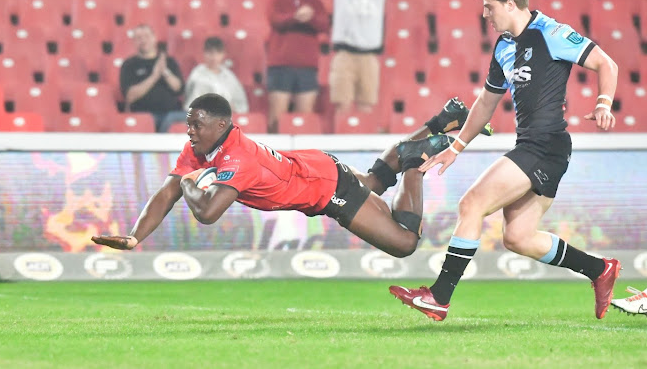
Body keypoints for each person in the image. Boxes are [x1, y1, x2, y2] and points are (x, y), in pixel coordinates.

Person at [390, 0, 620, 321]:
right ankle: (599, 269)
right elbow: (485, 103)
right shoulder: (504, 47)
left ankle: (439, 296)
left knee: (471, 204)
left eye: (489, 6)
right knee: (518, 236)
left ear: (510, 4)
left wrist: (603, 104)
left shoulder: (551, 32)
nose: (485, 14)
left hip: (544, 145)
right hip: (538, 147)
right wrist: (455, 147)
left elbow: (607, 63)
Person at [91, 94, 480, 262]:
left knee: (404, 242)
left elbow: (207, 213)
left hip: (325, 187)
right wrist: (135, 236)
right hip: (314, 167)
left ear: (222, 124)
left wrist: (192, 183)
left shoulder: (237, 160)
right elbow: (166, 191)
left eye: (196, 124)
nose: (189, 131)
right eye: (189, 124)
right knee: (376, 183)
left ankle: (415, 158)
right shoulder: (201, 147)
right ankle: (442, 118)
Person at [329, 0, 405, 113]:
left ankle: (363, 133)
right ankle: (342, 133)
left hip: (369, 57)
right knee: (342, 103)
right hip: (344, 55)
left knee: (366, 104)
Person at [267, 0, 329, 133]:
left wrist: (310, 17)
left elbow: (324, 24)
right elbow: (275, 20)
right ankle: (271, 156)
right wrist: (296, 17)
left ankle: (299, 159)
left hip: (307, 67)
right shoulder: (276, 0)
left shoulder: (315, 3)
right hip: (281, 65)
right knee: (276, 119)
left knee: (304, 119)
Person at [119, 24, 185, 133]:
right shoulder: (129, 65)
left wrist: (165, 72)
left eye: (147, 36)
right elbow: (130, 96)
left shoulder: (169, 61)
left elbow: (178, 88)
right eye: (139, 38)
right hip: (144, 116)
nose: (143, 40)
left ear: (154, 38)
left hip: (171, 115)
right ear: (134, 42)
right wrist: (154, 76)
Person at [184, 37, 249, 114]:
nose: (214, 57)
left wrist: (232, 108)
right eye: (210, 53)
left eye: (218, 53)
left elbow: (242, 104)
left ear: (223, 54)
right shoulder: (197, 74)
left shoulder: (229, 76)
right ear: (204, 53)